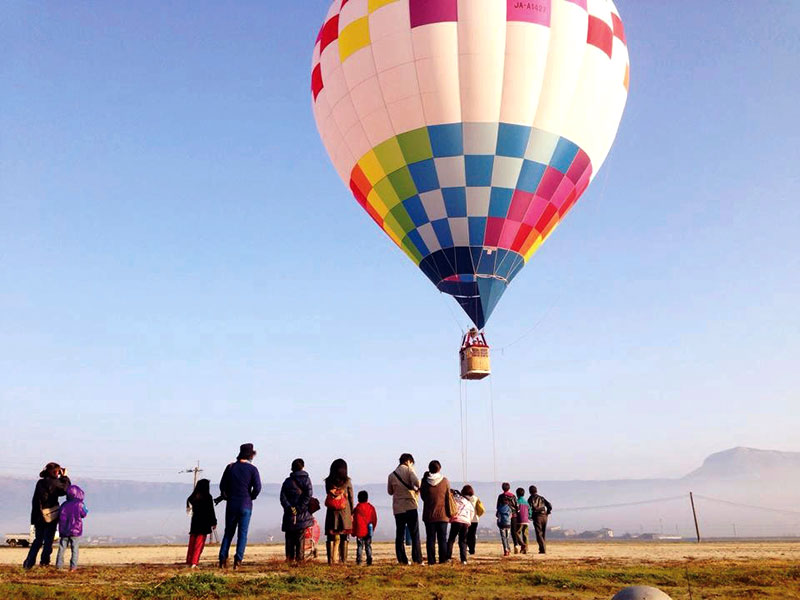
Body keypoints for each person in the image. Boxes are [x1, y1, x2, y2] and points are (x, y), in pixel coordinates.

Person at [217, 443, 262, 569]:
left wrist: (226, 496)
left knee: (228, 533)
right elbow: (257, 487)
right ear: (251, 455)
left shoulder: (230, 467)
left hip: (232, 504)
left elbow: (222, 486)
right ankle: (238, 561)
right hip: (246, 504)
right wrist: (251, 496)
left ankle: (222, 559)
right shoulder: (253, 469)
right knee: (242, 534)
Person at [23, 462, 71, 569]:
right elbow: (66, 489)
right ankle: (44, 563)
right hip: (50, 515)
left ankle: (28, 563)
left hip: (38, 516)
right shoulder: (53, 482)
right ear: (55, 472)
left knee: (38, 540)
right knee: (48, 540)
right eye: (58, 471)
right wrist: (65, 477)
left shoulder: (40, 483)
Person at [387, 452, 422, 565]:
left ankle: (402, 560)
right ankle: (417, 559)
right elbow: (418, 483)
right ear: (409, 462)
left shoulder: (391, 475)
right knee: (414, 533)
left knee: (400, 534)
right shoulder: (409, 470)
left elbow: (390, 492)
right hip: (410, 506)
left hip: (398, 508)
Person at [280, 458, 315, 562]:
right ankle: (300, 560)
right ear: (302, 467)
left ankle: (289, 559)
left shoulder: (287, 481)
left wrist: (289, 508)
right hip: (302, 514)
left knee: (289, 537)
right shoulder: (307, 480)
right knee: (300, 537)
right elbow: (309, 495)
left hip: (289, 514)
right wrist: (300, 508)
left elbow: (282, 497)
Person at [420, 460, 452, 565]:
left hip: (429, 515)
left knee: (430, 539)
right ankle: (443, 560)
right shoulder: (445, 481)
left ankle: (431, 561)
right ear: (439, 468)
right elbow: (448, 497)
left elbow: (423, 497)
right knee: (442, 539)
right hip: (443, 515)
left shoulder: (424, 481)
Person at [324, 458, 354, 564]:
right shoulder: (347, 482)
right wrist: (352, 511)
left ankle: (330, 561)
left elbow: (329, 495)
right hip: (344, 512)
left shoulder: (328, 482)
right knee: (344, 536)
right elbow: (351, 497)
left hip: (331, 512)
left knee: (330, 536)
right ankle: (343, 561)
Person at [55, 484, 88, 571]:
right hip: (75, 531)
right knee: (75, 549)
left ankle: (59, 566)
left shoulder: (64, 505)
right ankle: (73, 567)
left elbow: (59, 516)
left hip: (64, 530)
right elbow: (84, 514)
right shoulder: (80, 504)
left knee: (62, 548)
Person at [186, 479, 217, 568]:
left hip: (195, 523)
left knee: (192, 543)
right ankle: (194, 562)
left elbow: (189, 506)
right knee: (199, 544)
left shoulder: (193, 497)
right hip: (204, 523)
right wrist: (214, 522)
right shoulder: (207, 497)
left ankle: (189, 560)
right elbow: (211, 511)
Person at [446, 488, 475, 564]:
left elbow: (452, 509)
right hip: (465, 522)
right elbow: (472, 513)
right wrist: (469, 521)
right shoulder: (469, 503)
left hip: (456, 521)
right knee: (463, 541)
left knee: (451, 539)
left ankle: (448, 557)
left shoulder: (456, 499)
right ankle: (464, 560)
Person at [352, 490, 377, 566]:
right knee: (368, 546)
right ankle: (369, 560)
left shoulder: (357, 509)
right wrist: (373, 528)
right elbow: (374, 519)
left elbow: (354, 521)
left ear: (358, 499)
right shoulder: (371, 508)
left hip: (360, 531)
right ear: (367, 498)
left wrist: (353, 531)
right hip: (369, 530)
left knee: (360, 546)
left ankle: (359, 561)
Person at [528, 485, 553, 554]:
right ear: (536, 491)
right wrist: (548, 512)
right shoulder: (541, 498)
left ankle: (543, 549)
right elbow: (549, 505)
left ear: (530, 492)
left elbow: (529, 509)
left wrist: (530, 516)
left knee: (539, 533)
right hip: (544, 516)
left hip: (537, 516)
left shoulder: (530, 499)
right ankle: (542, 548)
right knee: (543, 533)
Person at [460, 485, 484, 555]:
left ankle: (465, 547)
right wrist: (478, 515)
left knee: (464, 534)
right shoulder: (476, 498)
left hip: (465, 518)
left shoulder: (462, 498)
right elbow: (481, 508)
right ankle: (472, 550)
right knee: (472, 534)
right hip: (475, 519)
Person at [496, 482, 518, 557]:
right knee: (513, 531)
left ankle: (506, 549)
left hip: (502, 518)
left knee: (503, 535)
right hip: (513, 515)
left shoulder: (500, 496)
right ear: (509, 488)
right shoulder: (513, 496)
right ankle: (516, 545)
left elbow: (497, 507)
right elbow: (517, 506)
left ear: (502, 488)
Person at [513, 487, 530, 554]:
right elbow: (530, 510)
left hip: (519, 520)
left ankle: (522, 544)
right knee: (525, 535)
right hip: (526, 521)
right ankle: (525, 549)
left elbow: (515, 510)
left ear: (517, 494)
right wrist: (529, 516)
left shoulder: (517, 501)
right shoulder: (526, 502)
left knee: (516, 533)